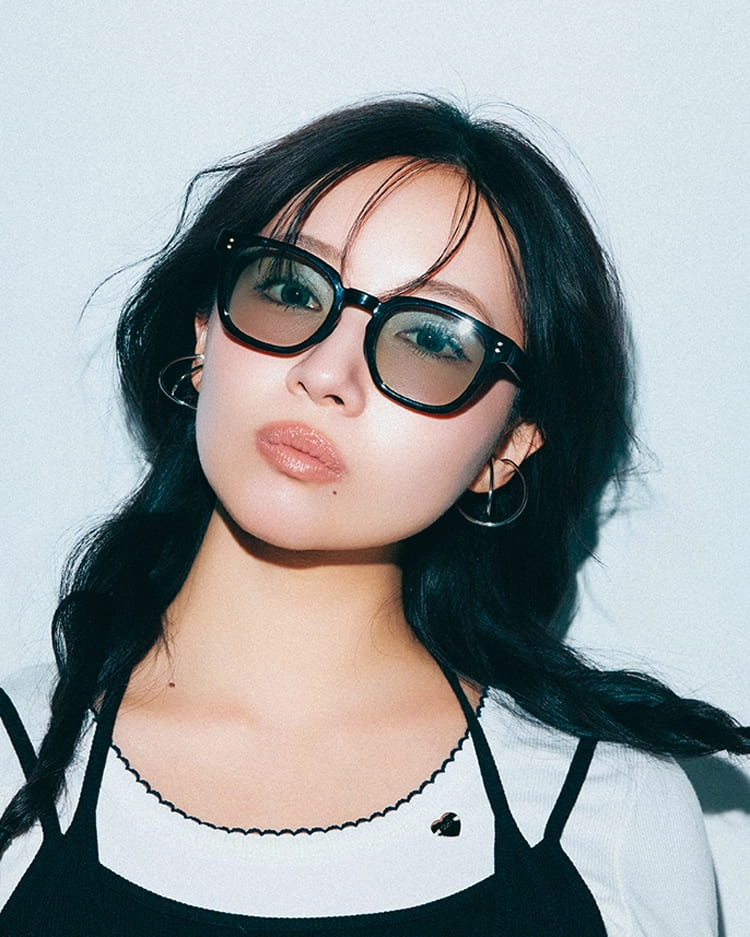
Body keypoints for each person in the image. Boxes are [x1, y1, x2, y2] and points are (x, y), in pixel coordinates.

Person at [0, 96, 747, 936]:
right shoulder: (10, 765)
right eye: (290, 287)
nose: (326, 373)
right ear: (204, 333)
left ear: (508, 447)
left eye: (432, 340)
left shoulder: (612, 815)